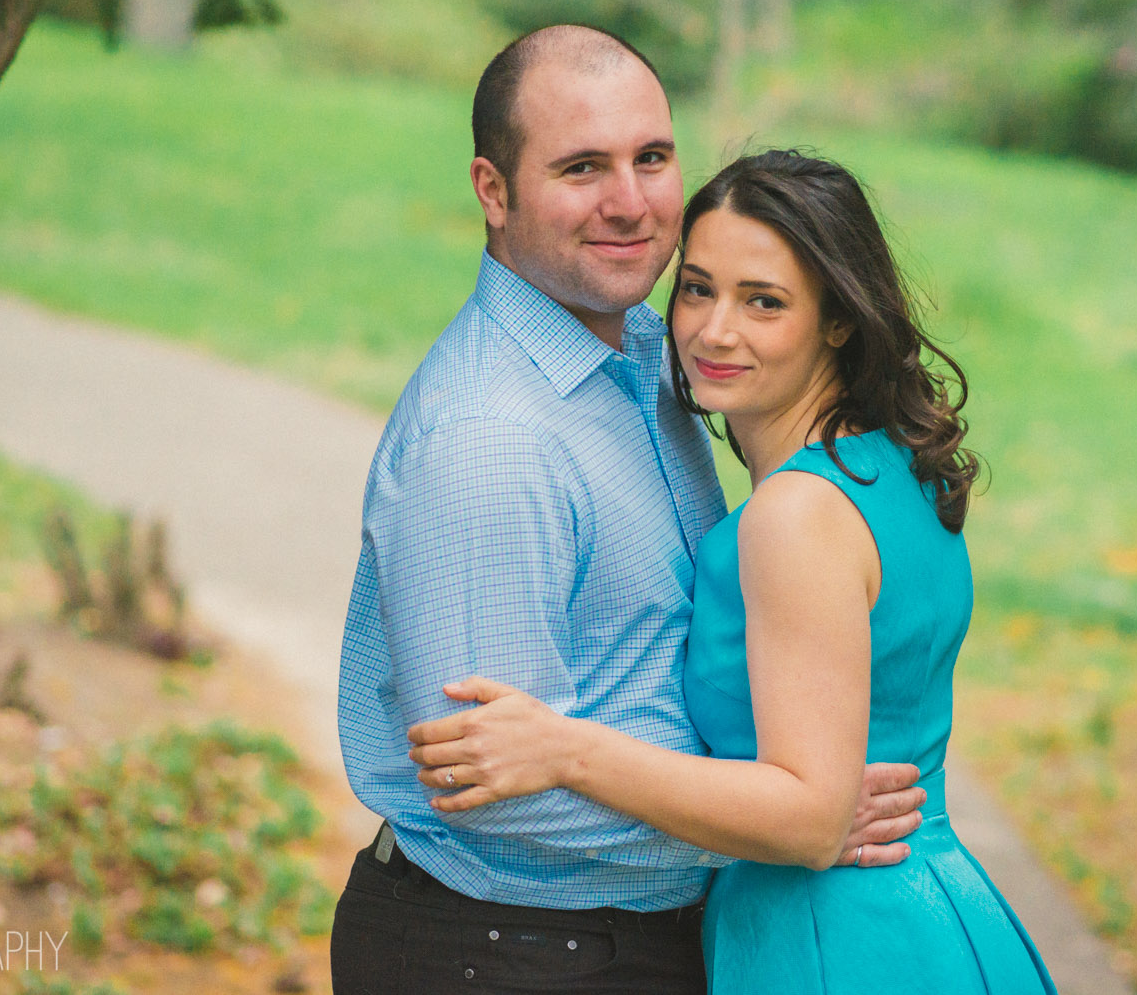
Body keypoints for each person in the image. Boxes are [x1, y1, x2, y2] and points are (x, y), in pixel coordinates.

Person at [331, 28, 926, 995]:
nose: (631, 201)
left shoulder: (653, 353)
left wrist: (786, 808)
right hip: (502, 954)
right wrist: (775, 823)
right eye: (581, 168)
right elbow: (486, 793)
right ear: (493, 190)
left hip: (619, 944)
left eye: (651, 158)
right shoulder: (490, 441)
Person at [406, 149, 1057, 993]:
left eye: (764, 302)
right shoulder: (891, 465)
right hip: (931, 908)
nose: (714, 329)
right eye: (698, 287)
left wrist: (565, 749)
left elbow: (811, 817)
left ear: (838, 320)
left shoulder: (795, 514)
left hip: (833, 939)